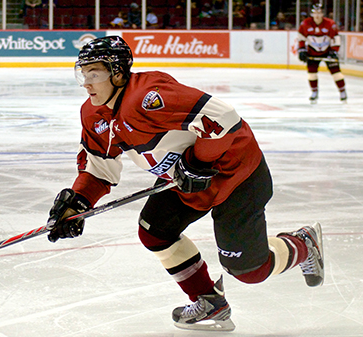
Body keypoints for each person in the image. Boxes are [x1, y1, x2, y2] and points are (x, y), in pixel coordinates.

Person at [46, 36, 324, 331]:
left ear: (118, 73)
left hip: (235, 174)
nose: (87, 83)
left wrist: (199, 162)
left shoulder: (148, 97)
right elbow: (100, 168)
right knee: (155, 231)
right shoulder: (93, 114)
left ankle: (303, 243)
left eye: (95, 73)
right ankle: (210, 302)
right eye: (83, 73)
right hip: (187, 180)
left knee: (249, 272)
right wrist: (78, 203)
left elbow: (223, 118)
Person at [297, 3, 347, 103]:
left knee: (336, 73)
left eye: (319, 13)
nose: (317, 15)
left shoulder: (330, 24)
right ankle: (314, 92)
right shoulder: (305, 24)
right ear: (311, 14)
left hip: (327, 52)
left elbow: (336, 38)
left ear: (323, 13)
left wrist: (334, 51)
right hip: (312, 52)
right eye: (315, 13)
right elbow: (301, 38)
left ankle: (342, 92)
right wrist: (302, 50)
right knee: (312, 74)